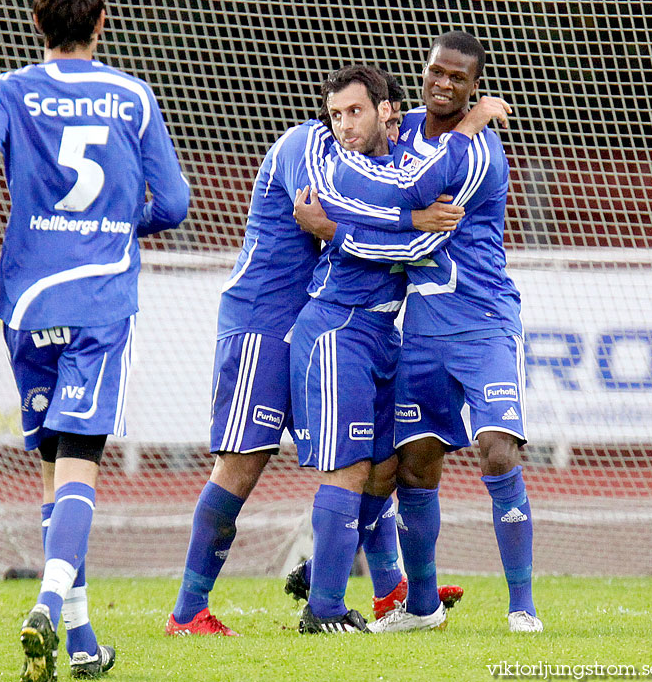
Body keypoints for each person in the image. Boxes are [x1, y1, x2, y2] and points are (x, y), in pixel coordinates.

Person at [165, 69, 460, 636]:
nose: (344, 124)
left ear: (387, 111)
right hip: (265, 321)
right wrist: (418, 218)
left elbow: (406, 159)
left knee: (379, 461)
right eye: (337, 113)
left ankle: (386, 590)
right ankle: (189, 609)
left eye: (357, 112)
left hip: (325, 322)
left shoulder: (387, 151)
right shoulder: (311, 148)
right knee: (244, 465)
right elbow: (345, 206)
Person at [0, 0, 189, 679]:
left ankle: (83, 638)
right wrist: (120, 226)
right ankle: (46, 604)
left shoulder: (3, 89)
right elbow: (175, 204)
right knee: (80, 472)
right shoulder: (133, 96)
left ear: (35, 21)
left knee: (51, 473)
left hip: (29, 299)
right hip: (99, 301)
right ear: (102, 20)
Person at [294, 31, 542, 634]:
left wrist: (334, 227)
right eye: (436, 72)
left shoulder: (478, 151)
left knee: (498, 450)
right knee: (410, 465)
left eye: (459, 79)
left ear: (474, 87)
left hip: (482, 324)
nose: (444, 84)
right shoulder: (402, 138)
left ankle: (523, 607)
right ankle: (417, 606)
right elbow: (382, 181)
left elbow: (414, 201)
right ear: (424, 73)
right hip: (422, 332)